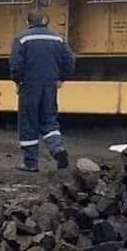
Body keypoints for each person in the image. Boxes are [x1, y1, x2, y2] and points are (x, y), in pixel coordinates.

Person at [9, 10, 75, 173]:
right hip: (50, 85)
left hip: (29, 86)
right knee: (49, 120)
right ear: (45, 21)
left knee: (28, 122)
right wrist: (61, 78)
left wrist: (17, 81)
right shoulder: (58, 38)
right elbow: (69, 60)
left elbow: (16, 64)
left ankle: (31, 163)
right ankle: (57, 148)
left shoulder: (22, 38)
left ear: (28, 22)